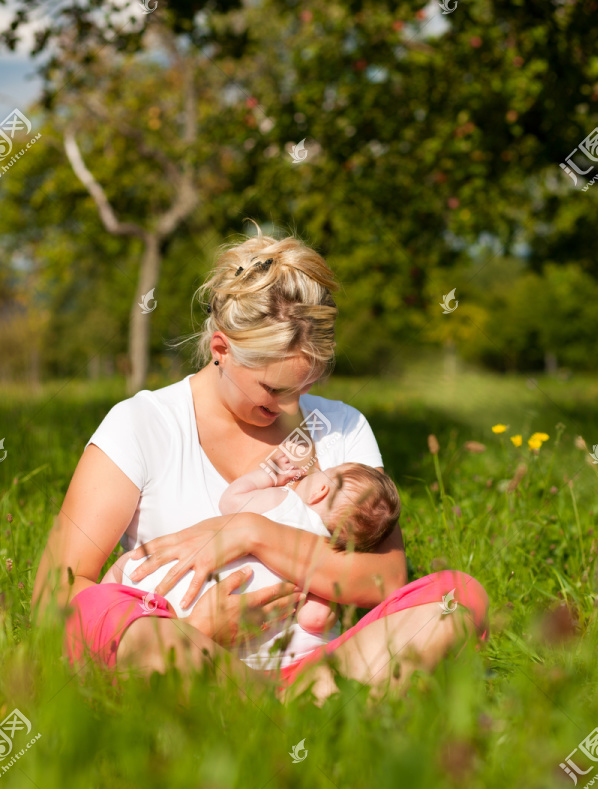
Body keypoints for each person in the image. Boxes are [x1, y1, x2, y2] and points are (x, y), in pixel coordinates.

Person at [32, 222, 489, 703]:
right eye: (274, 389)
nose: (292, 406)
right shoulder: (142, 425)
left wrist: (253, 532)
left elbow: (387, 578)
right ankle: (293, 709)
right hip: (188, 652)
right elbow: (54, 595)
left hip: (315, 663)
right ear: (221, 349)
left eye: (305, 386)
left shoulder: (343, 427)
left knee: (457, 595)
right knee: (97, 610)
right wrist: (199, 629)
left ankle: (277, 708)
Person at [104, 449, 401, 671]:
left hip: (166, 587)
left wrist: (269, 475)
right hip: (239, 647)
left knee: (121, 587)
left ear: (321, 489)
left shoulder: (283, 500)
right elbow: (315, 619)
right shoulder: (325, 558)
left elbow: (231, 500)